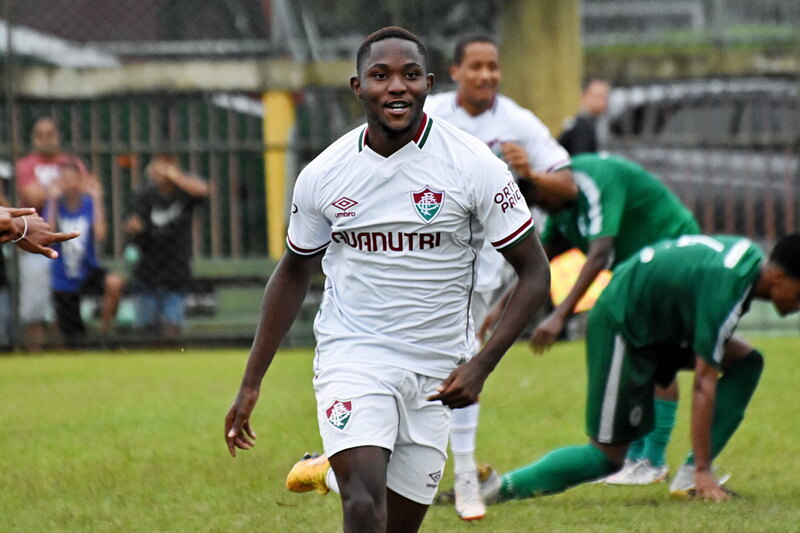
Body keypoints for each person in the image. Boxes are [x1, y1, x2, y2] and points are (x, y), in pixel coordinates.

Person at [224, 27, 551, 533]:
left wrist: (482, 365)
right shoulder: (324, 174)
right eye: (381, 76)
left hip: (436, 365)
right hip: (354, 353)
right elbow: (292, 271)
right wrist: (251, 382)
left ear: (429, 84)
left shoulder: (473, 166)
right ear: (358, 87)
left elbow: (535, 272)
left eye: (410, 75)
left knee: (394, 523)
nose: (396, 86)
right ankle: (343, 471)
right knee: (361, 504)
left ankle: (328, 469)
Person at [477, 233, 800, 503]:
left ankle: (689, 476)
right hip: (625, 325)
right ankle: (498, 488)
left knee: (747, 362)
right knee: (606, 456)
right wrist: (706, 470)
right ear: (778, 277)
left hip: (662, 328)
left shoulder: (746, 264)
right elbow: (704, 382)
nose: (799, 305)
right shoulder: (727, 288)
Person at [483, 152, 701, 485]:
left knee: (657, 354)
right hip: (639, 274)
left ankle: (652, 461)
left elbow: (599, 253)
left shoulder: (596, 181)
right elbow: (540, 261)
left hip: (673, 256)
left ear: (545, 182)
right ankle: (638, 458)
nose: (541, 208)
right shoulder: (563, 208)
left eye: (539, 199)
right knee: (637, 356)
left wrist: (559, 315)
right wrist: (499, 307)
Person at [424, 34, 573, 520]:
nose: (486, 75)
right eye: (476, 67)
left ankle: (462, 474)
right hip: (429, 265)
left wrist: (528, 174)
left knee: (462, 366)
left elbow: (565, 185)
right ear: (454, 71)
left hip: (488, 272)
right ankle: (363, 461)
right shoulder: (431, 116)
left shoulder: (516, 121)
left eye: (493, 66)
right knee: (422, 365)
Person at [15, 117, 87, 350]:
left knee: (61, 307)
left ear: (58, 136)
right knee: (35, 307)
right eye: (40, 134)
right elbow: (33, 197)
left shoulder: (71, 161)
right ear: (34, 138)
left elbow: (88, 187)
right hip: (35, 241)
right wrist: (60, 187)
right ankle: (34, 353)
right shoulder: (26, 165)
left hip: (68, 246)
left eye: (50, 134)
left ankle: (61, 354)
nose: (46, 139)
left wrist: (55, 189)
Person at [124, 154, 208, 336]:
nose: (159, 170)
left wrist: (174, 176)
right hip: (147, 268)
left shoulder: (184, 194)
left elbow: (203, 190)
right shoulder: (144, 195)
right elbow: (133, 223)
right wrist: (133, 228)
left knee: (173, 326)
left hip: (175, 268)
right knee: (144, 328)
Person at [46, 163, 124, 343]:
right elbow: (48, 235)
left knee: (114, 282)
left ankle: (104, 331)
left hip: (87, 269)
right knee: (73, 336)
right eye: (65, 180)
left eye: (74, 179)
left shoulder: (88, 205)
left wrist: (96, 198)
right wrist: (52, 201)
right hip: (64, 277)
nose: (70, 185)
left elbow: (100, 234)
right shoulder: (56, 207)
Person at [557, 77, 610, 156]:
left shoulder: (581, 123)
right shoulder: (583, 128)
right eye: (598, 96)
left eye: (605, 97)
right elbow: (581, 162)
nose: (603, 102)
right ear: (584, 96)